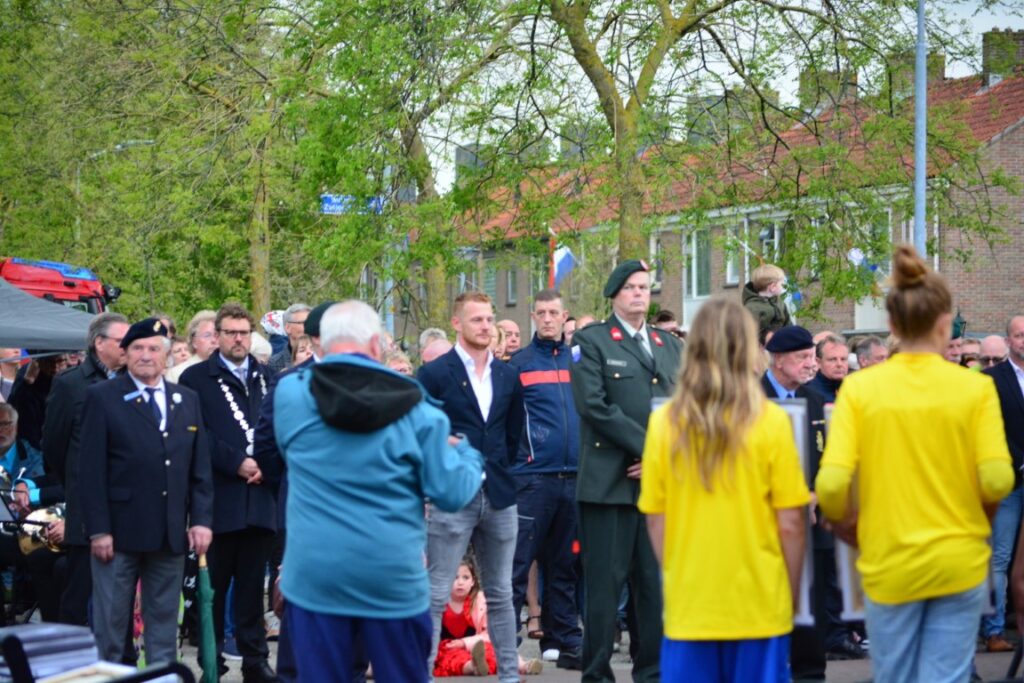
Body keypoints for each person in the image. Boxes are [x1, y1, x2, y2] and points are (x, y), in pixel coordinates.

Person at [816, 245, 1013, 683]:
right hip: (959, 559)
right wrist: (979, 519)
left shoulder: (860, 390)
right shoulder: (974, 388)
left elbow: (830, 485)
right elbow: (998, 477)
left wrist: (849, 527)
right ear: (945, 324)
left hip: (889, 559)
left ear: (891, 325)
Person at [274, 300, 484, 681]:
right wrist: (466, 452)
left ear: (321, 343)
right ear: (376, 344)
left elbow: (288, 448)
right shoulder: (419, 411)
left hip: (317, 573)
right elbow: (452, 493)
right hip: (391, 573)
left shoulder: (291, 395)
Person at [639, 297, 809, 683]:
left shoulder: (664, 423)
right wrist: (791, 592)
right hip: (758, 601)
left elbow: (656, 521)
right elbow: (790, 524)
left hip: (692, 602)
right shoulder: (771, 422)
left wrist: (678, 574)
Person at [569, 259, 683, 683]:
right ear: (614, 294)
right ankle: (597, 674)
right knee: (604, 589)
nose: (639, 294)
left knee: (653, 587)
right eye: (631, 287)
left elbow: (684, 408)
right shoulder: (591, 340)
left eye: (644, 287)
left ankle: (651, 672)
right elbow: (594, 405)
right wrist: (649, 449)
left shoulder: (669, 345)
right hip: (609, 484)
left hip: (658, 485)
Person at [78, 318, 214, 665]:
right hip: (118, 534)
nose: (145, 355)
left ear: (166, 355)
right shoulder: (102, 397)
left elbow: (199, 469)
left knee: (164, 630)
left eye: (154, 348)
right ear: (125, 354)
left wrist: (201, 521)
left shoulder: (187, 399)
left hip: (169, 533)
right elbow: (90, 471)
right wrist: (98, 529)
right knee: (111, 629)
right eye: (137, 348)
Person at [418, 292, 525, 683]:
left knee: (501, 592)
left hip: (499, 494)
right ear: (456, 323)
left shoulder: (508, 375)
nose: (485, 326)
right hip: (450, 497)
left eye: (489, 319)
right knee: (435, 591)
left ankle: (509, 676)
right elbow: (420, 431)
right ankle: (422, 674)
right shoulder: (433, 374)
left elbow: (513, 435)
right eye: (476, 319)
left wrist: (498, 470)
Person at [179, 303, 277, 682]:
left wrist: (266, 463)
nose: (238, 339)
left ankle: (255, 660)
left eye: (243, 332)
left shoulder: (268, 376)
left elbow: (280, 427)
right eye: (231, 332)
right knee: (214, 588)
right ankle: (212, 658)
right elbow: (195, 433)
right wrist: (236, 462)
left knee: (252, 588)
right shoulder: (195, 379)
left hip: (260, 497)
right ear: (217, 335)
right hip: (218, 498)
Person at [763, 326, 861, 675]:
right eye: (803, 357)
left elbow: (832, 458)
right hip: (766, 525)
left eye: (811, 357)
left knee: (812, 613)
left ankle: (810, 674)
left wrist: (818, 493)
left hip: (812, 524)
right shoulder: (751, 399)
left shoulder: (817, 401)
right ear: (778, 359)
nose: (811, 364)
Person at [508, 289, 583, 669]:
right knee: (518, 563)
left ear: (564, 315)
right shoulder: (518, 364)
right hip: (533, 477)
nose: (549, 319)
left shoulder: (579, 362)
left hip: (574, 476)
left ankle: (564, 639)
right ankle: (505, 641)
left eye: (554, 312)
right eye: (542, 313)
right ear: (533, 316)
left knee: (565, 565)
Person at [41, 312, 129, 626]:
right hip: (86, 512)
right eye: (121, 341)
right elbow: (54, 446)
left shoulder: (133, 381)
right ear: (99, 343)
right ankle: (73, 654)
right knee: (79, 596)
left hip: (127, 508)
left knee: (122, 599)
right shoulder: (70, 385)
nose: (128, 347)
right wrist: (77, 486)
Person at [980, 316, 1024, 652]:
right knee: (999, 556)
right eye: (1019, 335)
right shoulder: (992, 379)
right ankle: (994, 631)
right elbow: (991, 427)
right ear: (1009, 340)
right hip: (1009, 481)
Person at [435, 559, 543, 677]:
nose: (460, 582)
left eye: (465, 578)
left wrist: (464, 643)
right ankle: (473, 666)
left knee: (495, 650)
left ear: (473, 581)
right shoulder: (438, 602)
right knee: (449, 659)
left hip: (476, 645)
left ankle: (523, 666)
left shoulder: (480, 601)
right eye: (455, 578)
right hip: (447, 648)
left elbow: (489, 634)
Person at [742, 263, 791, 343]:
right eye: (781, 284)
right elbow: (749, 333)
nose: (783, 287)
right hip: (762, 347)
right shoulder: (752, 308)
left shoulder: (780, 304)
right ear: (773, 287)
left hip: (782, 345)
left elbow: (789, 325)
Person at [166, 311, 218, 382]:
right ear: (194, 341)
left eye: (217, 335)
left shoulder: (230, 368)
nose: (214, 340)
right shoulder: (177, 373)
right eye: (207, 335)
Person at [268, 304, 311, 375]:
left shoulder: (323, 356)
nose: (309, 326)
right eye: (304, 323)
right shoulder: (274, 364)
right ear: (288, 328)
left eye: (311, 322)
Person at [806, 334, 849, 403]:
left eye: (843, 359)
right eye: (832, 359)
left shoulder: (855, 389)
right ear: (818, 362)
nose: (839, 364)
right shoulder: (808, 394)